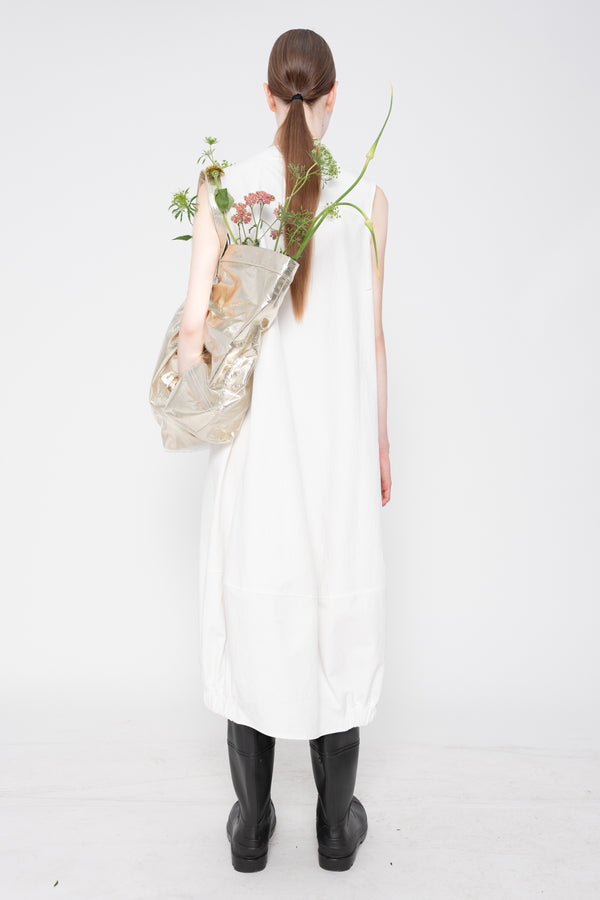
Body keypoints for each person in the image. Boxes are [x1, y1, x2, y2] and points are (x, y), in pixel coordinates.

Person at [177, 28, 391, 873]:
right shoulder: (368, 193)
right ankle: (336, 832)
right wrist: (381, 448)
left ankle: (253, 828)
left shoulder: (226, 187)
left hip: (256, 453)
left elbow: (197, 333)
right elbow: (372, 340)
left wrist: (190, 386)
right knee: (337, 612)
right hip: (339, 456)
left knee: (254, 611)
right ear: (332, 97)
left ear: (269, 98)